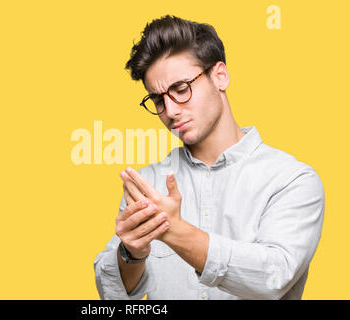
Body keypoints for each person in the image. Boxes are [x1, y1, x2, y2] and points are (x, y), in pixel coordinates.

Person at [94, 15, 325, 300]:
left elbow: (273, 276)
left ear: (220, 76)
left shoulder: (291, 180)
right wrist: (132, 253)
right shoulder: (149, 182)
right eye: (157, 99)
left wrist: (174, 231)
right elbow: (113, 294)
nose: (170, 111)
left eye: (181, 89)